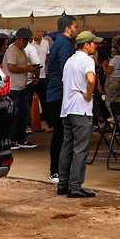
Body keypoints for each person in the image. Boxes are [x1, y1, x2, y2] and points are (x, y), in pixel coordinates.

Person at [57, 31, 102, 198]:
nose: (96, 46)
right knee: (81, 149)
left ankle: (63, 183)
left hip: (67, 108)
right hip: (81, 109)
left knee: (67, 146)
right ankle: (75, 186)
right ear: (87, 45)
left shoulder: (70, 60)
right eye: (94, 43)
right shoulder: (87, 60)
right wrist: (89, 95)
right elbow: (91, 79)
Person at [44, 15, 80, 183]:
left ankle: (58, 170)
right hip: (60, 94)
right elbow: (67, 71)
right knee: (61, 133)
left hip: (55, 92)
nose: (77, 31)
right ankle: (56, 171)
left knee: (61, 133)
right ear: (68, 29)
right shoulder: (65, 44)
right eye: (76, 27)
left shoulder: (59, 43)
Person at [3, 27, 40, 149]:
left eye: (27, 40)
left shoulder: (22, 50)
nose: (26, 43)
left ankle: (21, 139)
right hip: (13, 89)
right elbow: (12, 67)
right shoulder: (12, 50)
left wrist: (31, 68)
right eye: (24, 40)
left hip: (22, 88)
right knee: (14, 116)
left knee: (24, 115)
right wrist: (28, 69)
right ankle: (13, 140)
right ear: (17, 38)